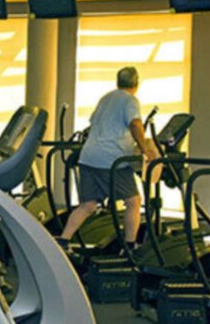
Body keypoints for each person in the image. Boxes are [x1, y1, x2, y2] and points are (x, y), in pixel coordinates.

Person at [57, 66, 156, 253]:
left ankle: (63, 241)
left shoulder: (106, 98)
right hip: (111, 160)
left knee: (88, 204)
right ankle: (129, 246)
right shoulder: (130, 100)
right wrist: (145, 150)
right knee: (134, 201)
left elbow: (97, 124)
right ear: (136, 83)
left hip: (88, 157)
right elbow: (135, 123)